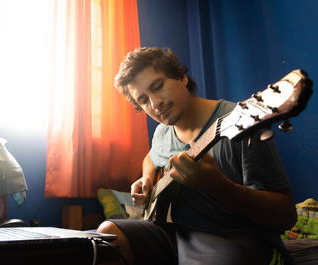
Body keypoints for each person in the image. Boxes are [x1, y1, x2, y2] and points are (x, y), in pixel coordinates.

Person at [96, 47, 297, 265]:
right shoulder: (163, 132)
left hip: (236, 237)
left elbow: (286, 216)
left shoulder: (242, 123)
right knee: (108, 237)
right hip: (178, 234)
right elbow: (152, 157)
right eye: (143, 100)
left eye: (158, 86)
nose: (155, 104)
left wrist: (219, 186)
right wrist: (146, 178)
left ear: (181, 77)